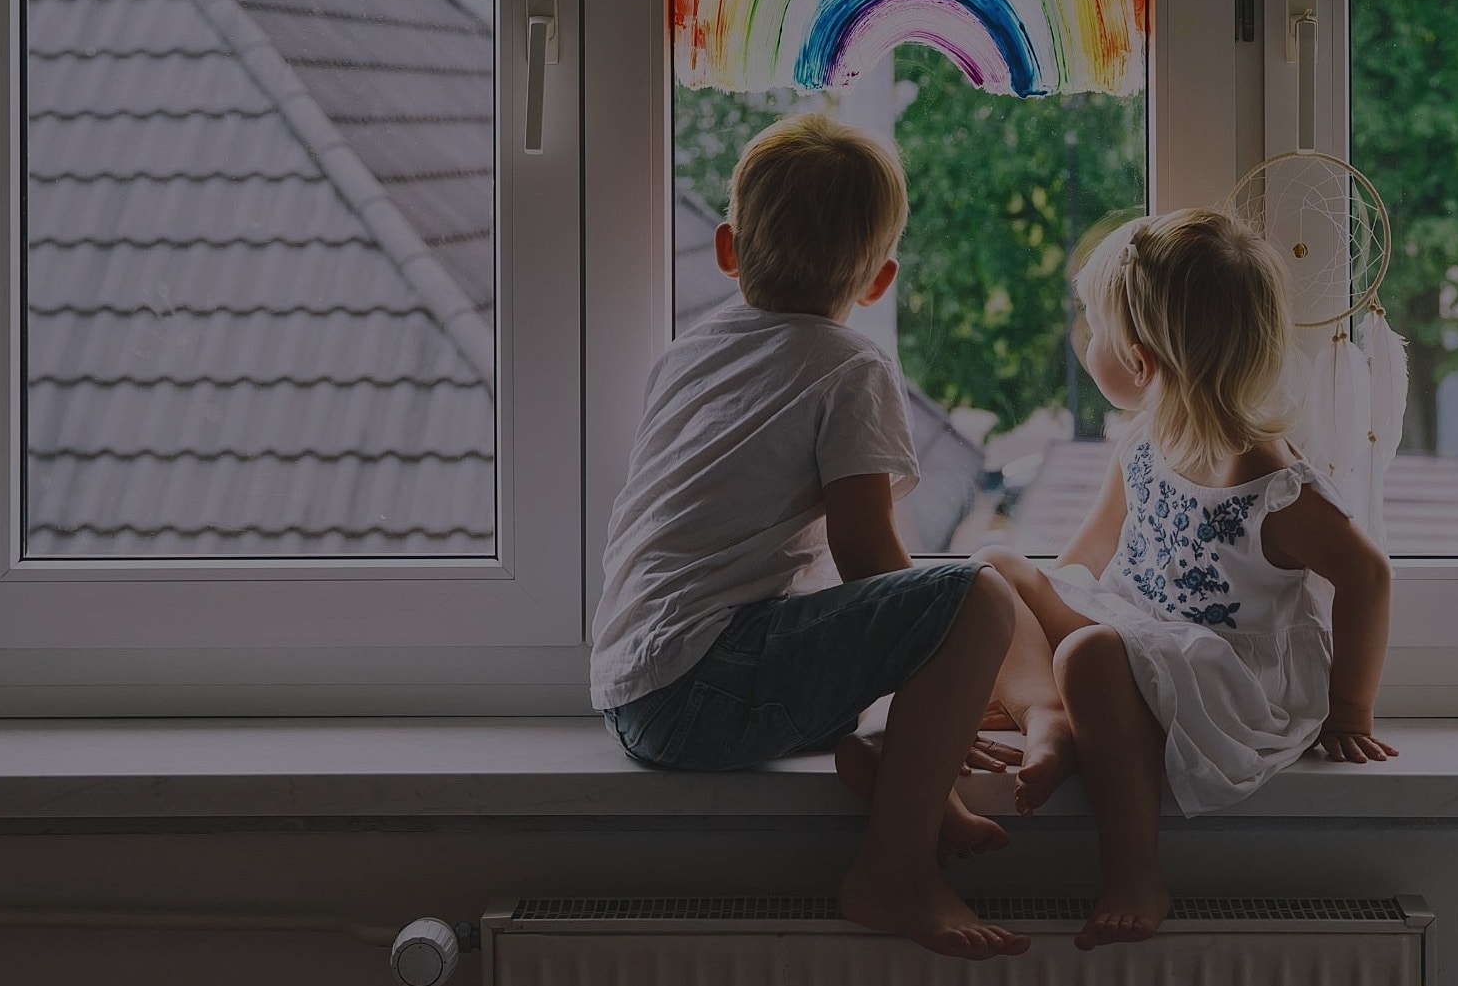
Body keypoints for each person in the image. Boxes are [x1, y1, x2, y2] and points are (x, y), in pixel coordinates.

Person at [588, 113, 1030, 961]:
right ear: (879, 280)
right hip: (704, 685)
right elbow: (868, 555)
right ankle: (893, 871)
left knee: (857, 614)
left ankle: (896, 763)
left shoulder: (686, 352)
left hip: (631, 685)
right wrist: (943, 664)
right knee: (978, 596)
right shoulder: (848, 365)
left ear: (726, 248)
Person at [978, 208, 1399, 950]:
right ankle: (1047, 714)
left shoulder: (1269, 481)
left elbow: (1367, 575)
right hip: (1138, 634)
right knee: (995, 567)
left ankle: (1135, 869)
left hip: (1219, 675)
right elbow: (1085, 554)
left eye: (1095, 332)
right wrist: (1039, 606)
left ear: (1139, 361)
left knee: (1086, 653)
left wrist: (1350, 710)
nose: (1086, 346)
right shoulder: (1144, 438)